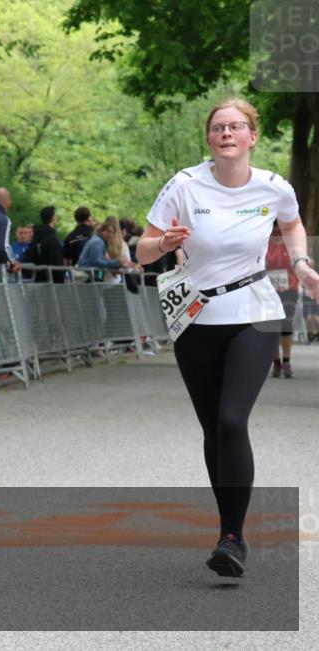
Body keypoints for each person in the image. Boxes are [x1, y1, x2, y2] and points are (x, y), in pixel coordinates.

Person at [137, 98, 319, 578]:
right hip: (196, 315)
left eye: (236, 126)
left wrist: (300, 263)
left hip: (255, 311)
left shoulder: (272, 186)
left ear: (252, 137)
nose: (227, 133)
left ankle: (233, 537)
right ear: (209, 138)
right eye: (218, 127)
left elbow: (293, 224)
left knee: (233, 420)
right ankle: (229, 528)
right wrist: (163, 244)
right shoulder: (184, 185)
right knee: (213, 428)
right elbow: (141, 249)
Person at [265, 222, 299, 378]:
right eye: (275, 228)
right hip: (270, 291)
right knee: (272, 326)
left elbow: (301, 261)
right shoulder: (265, 244)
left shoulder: (292, 244)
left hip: (289, 289)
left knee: (286, 325)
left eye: (280, 227)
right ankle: (276, 362)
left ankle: (286, 361)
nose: (278, 230)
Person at [23, 207, 63, 282]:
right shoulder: (51, 238)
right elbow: (56, 262)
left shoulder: (36, 235)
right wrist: (61, 280)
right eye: (55, 215)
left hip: (36, 279)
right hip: (50, 282)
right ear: (53, 217)